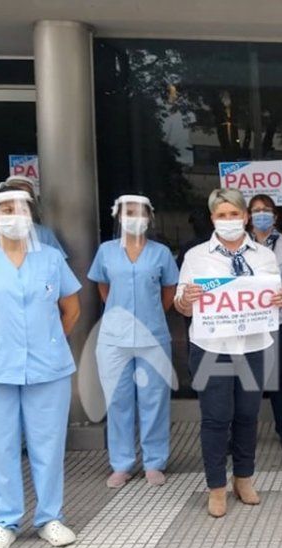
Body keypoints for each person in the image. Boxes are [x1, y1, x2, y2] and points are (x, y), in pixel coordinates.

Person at [0, 187, 82, 548]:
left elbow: (71, 309)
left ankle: (50, 518)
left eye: (20, 209)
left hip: (47, 367)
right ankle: (5, 521)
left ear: (31, 215)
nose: (13, 216)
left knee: (48, 445)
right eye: (5, 209)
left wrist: (47, 340)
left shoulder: (50, 258)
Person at [175, 188, 282, 518]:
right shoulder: (196, 256)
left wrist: (279, 300)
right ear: (212, 218)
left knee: (247, 416)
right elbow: (182, 306)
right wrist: (186, 300)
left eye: (234, 214)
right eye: (222, 215)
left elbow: (274, 297)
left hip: (253, 346)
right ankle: (216, 487)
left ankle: (244, 478)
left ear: (245, 217)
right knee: (215, 418)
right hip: (211, 348)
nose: (229, 220)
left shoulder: (264, 256)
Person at [87, 194, 179, 489]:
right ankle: (122, 463)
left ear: (149, 217)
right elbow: (103, 287)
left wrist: (149, 315)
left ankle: (154, 462)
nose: (134, 218)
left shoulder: (161, 253)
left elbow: (169, 291)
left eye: (140, 213)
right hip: (114, 339)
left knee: (155, 399)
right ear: (118, 216)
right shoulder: (106, 251)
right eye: (128, 212)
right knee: (118, 399)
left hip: (153, 335)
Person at [249, 193, 282, 453]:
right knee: (246, 379)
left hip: (281, 319)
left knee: (281, 380)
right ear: (248, 216)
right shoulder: (238, 245)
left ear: (275, 216)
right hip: (247, 321)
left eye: (266, 209)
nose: (261, 214)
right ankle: (241, 433)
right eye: (256, 210)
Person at [0, 176, 66, 256]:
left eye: (23, 203)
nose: (16, 213)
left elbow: (58, 270)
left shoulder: (44, 236)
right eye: (8, 210)